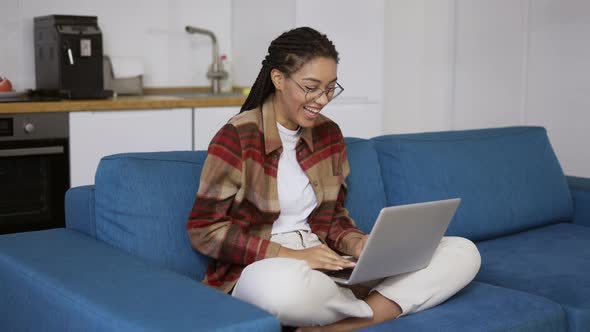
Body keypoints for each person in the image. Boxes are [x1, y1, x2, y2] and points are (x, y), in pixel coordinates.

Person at [187, 26, 481, 331]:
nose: (322, 99)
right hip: (264, 267)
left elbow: (334, 219)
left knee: (461, 252)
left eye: (330, 88)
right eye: (311, 87)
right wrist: (291, 255)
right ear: (278, 79)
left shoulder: (329, 134)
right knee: (287, 290)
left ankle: (342, 323)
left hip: (325, 261)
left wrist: (359, 246)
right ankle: (376, 303)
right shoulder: (237, 136)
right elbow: (205, 229)